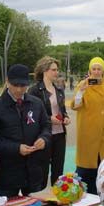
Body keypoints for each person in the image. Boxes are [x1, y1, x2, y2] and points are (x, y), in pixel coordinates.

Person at [0, 64, 51, 197]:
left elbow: (46, 126)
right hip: (8, 173)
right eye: (15, 85)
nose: (19, 90)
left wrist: (44, 138)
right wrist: (16, 148)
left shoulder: (36, 103)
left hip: (34, 170)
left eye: (23, 86)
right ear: (7, 82)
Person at [71, 57, 104, 194]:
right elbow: (75, 105)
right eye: (94, 69)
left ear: (103, 71)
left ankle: (102, 194)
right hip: (88, 130)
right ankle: (84, 194)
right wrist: (81, 92)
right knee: (85, 168)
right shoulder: (82, 84)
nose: (96, 72)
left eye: (99, 69)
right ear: (89, 70)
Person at [28, 56, 70, 187]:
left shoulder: (59, 89)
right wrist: (48, 119)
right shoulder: (34, 90)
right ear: (45, 70)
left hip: (60, 134)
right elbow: (31, 114)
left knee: (58, 169)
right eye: (54, 70)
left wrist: (66, 117)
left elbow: (61, 109)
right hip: (43, 136)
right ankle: (41, 200)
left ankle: (57, 200)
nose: (57, 72)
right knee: (42, 169)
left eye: (57, 70)